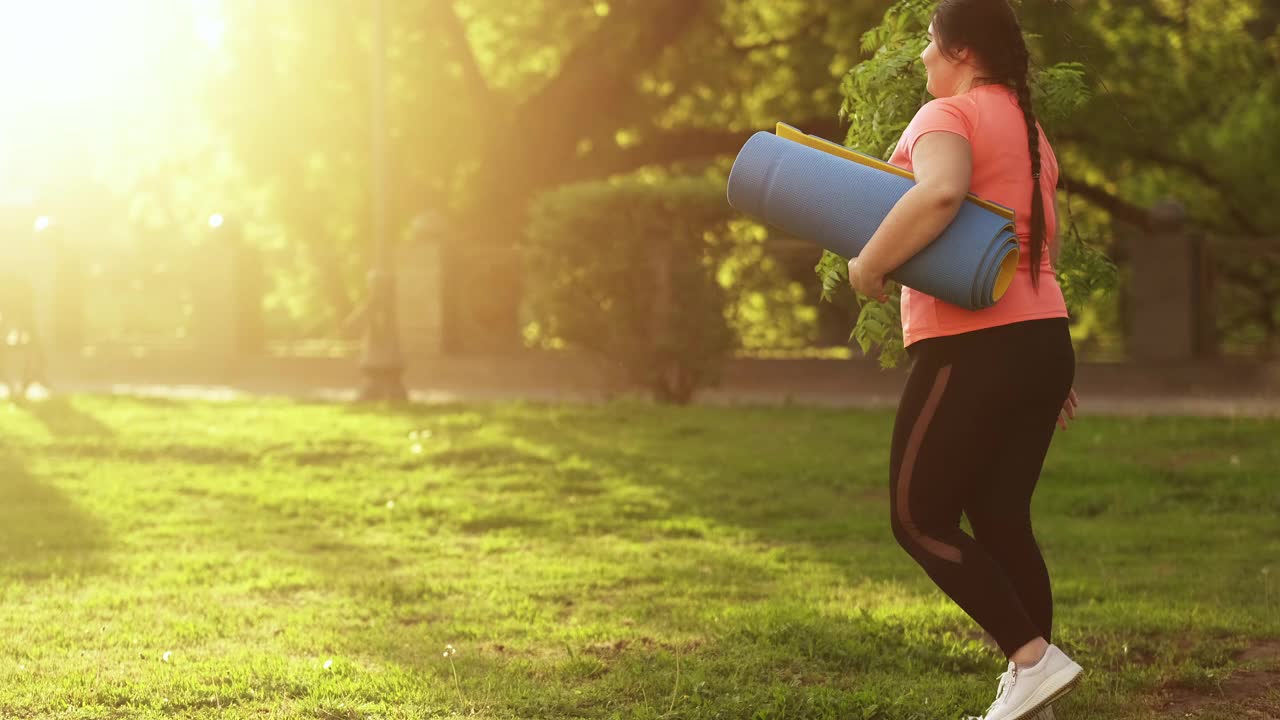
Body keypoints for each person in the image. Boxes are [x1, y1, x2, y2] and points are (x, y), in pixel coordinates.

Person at [846, 1, 1083, 718]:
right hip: (1043, 342)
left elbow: (940, 191)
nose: (922, 54)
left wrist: (868, 266)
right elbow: (1052, 243)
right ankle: (1033, 693)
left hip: (972, 343)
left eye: (927, 40)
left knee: (917, 518)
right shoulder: (1030, 128)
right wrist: (1044, 368)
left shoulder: (949, 115)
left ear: (960, 50)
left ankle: (1033, 659)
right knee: (1002, 516)